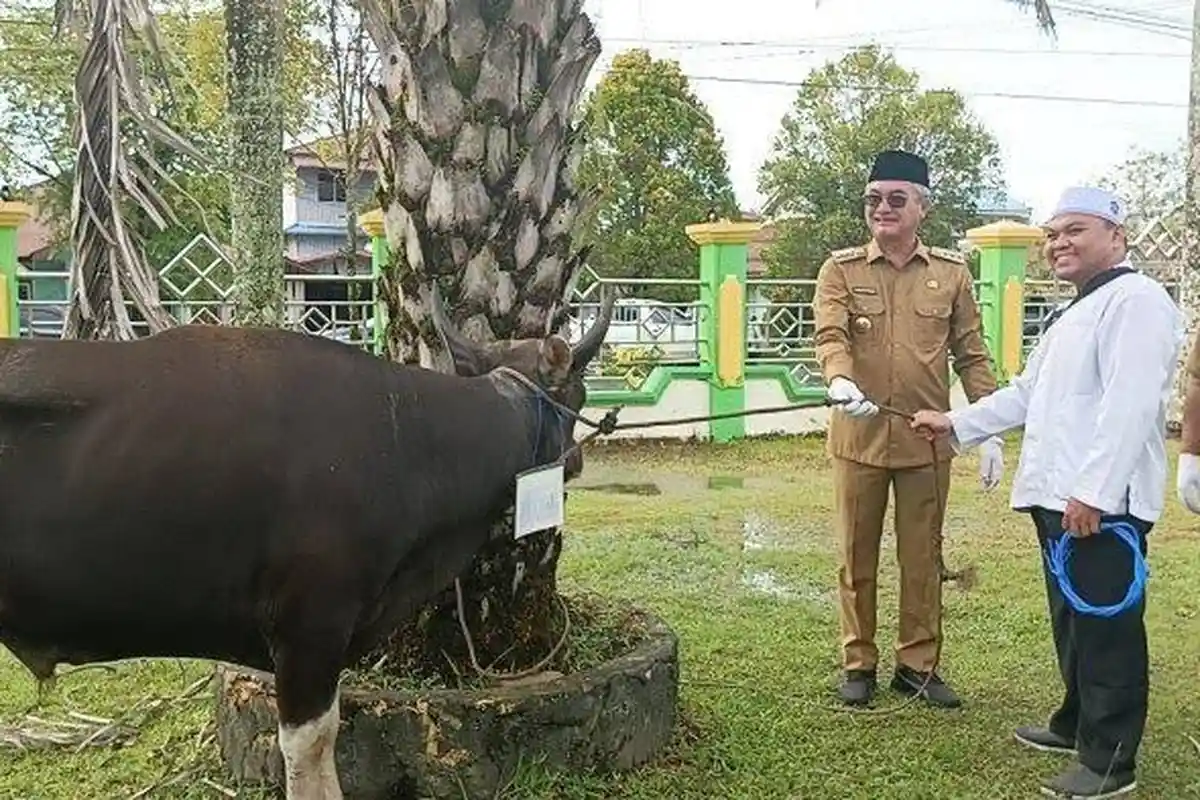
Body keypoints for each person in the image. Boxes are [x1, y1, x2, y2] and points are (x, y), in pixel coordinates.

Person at [910, 185, 1184, 799]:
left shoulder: (1136, 302)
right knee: (1072, 620)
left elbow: (1130, 406)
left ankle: (1110, 761)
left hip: (1096, 506)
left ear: (1117, 236)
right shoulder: (1074, 313)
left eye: (1075, 230)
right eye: (1053, 234)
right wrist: (956, 424)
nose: (1059, 243)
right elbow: (1027, 396)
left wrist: (1095, 491)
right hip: (1058, 499)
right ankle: (1076, 722)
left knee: (1105, 626)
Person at [814, 149, 1004, 710]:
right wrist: (840, 380)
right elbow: (831, 336)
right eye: (874, 198)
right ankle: (859, 662)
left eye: (897, 198)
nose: (883, 208)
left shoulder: (950, 273)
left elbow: (972, 354)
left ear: (923, 206)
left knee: (923, 558)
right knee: (857, 555)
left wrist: (986, 426)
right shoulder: (841, 269)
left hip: (928, 442)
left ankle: (917, 666)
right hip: (859, 439)